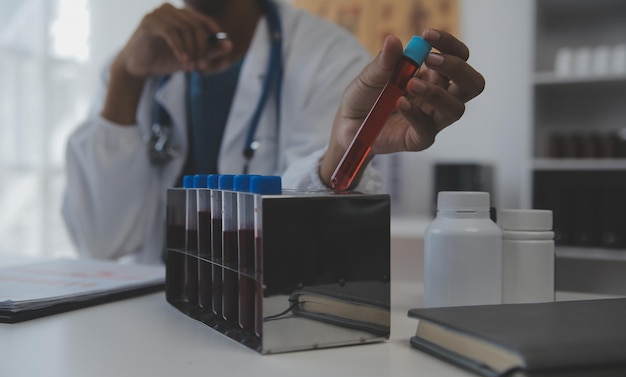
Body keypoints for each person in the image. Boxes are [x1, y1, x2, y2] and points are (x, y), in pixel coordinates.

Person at [62, 0, 484, 264]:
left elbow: (312, 249)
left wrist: (343, 150)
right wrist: (125, 78)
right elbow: (100, 242)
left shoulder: (326, 56)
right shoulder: (135, 62)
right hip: (147, 314)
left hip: (260, 318)